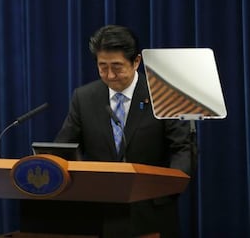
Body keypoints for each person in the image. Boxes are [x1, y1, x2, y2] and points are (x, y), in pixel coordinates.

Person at [55, 25, 194, 237]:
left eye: (117, 67)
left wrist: (169, 189)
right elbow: (64, 149)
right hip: (100, 214)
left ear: (136, 62)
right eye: (103, 67)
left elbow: (183, 147)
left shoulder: (164, 94)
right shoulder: (84, 98)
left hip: (152, 211)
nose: (110, 75)